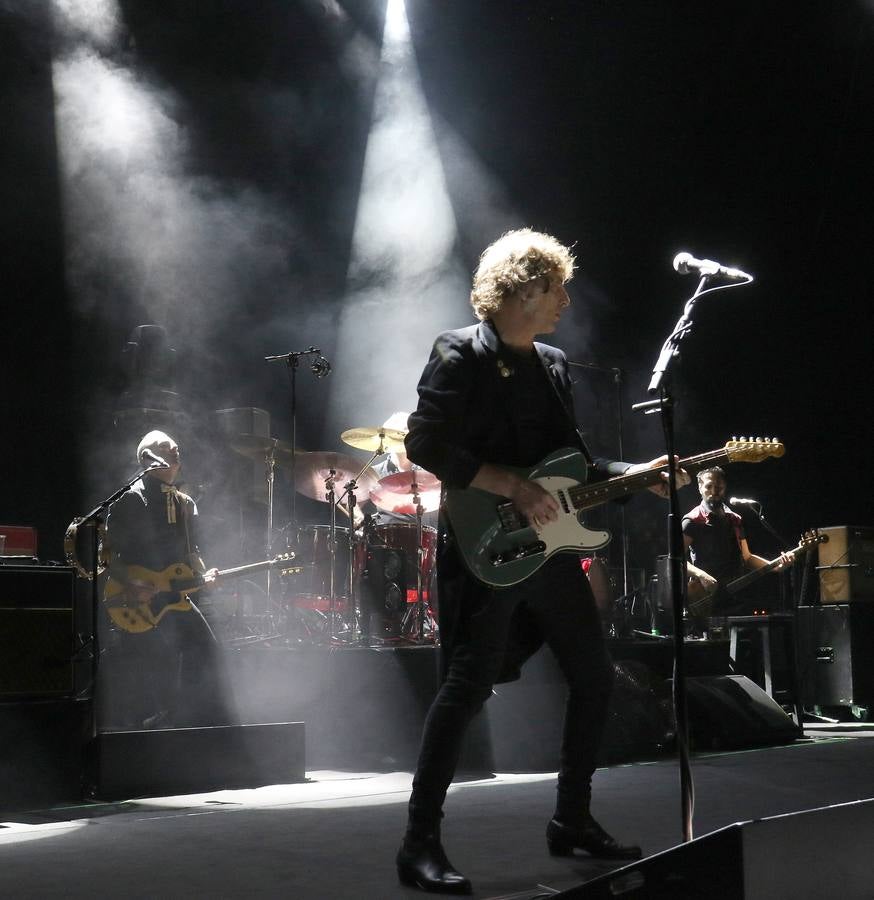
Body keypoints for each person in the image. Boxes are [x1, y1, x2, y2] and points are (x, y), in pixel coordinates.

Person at [396, 228, 688, 894]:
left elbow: (574, 462)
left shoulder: (552, 365)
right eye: (556, 288)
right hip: (483, 545)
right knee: (465, 688)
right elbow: (424, 443)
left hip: (548, 550)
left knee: (595, 675)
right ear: (524, 288)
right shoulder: (458, 353)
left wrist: (635, 473)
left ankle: (572, 818)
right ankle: (418, 844)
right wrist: (512, 487)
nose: (564, 302)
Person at [100, 430, 236, 730]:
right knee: (148, 666)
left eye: (176, 447)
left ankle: (186, 723)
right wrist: (131, 583)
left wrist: (204, 575)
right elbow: (106, 556)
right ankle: (147, 726)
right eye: (165, 446)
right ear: (148, 457)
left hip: (174, 597)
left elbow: (192, 553)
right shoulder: (130, 499)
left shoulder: (185, 502)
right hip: (137, 600)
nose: (175, 449)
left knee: (205, 650)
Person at [682, 466, 791, 617]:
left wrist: (775, 566)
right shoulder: (693, 520)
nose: (714, 491)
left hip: (734, 595)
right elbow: (676, 559)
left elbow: (747, 557)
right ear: (700, 487)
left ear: (724, 487)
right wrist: (701, 575)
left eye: (718, 487)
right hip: (706, 597)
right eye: (709, 486)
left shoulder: (735, 519)